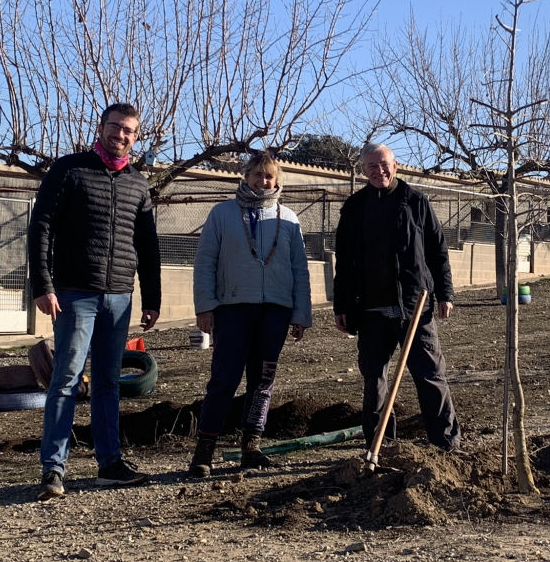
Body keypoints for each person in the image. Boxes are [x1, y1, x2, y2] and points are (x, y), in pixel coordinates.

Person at [29, 103, 162, 502]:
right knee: (66, 380)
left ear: (136, 137)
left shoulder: (138, 184)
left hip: (119, 297)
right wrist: (43, 285)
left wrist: (152, 299)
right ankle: (53, 469)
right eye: (115, 127)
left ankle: (110, 464)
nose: (121, 135)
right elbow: (42, 229)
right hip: (74, 294)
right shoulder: (68, 170)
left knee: (108, 382)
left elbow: (149, 247)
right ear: (101, 127)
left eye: (129, 131)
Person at [189, 152, 312, 476]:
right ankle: (204, 452)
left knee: (263, 381)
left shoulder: (289, 218)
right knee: (224, 379)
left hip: (276, 311)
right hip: (232, 309)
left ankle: (251, 447)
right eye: (256, 174)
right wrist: (204, 307)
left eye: (269, 176)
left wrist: (301, 313)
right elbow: (205, 262)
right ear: (245, 176)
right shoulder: (222, 214)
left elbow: (300, 269)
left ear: (277, 180)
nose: (263, 181)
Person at [334, 143, 461, 452]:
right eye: (372, 167)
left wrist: (444, 293)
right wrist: (342, 306)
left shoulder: (415, 202)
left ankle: (446, 445)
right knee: (374, 382)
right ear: (363, 171)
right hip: (371, 310)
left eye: (384, 164)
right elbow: (344, 260)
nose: (379, 171)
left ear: (396, 165)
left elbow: (437, 252)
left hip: (414, 307)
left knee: (430, 376)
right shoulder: (354, 208)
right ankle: (380, 445)